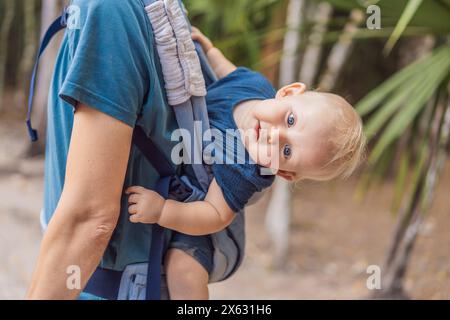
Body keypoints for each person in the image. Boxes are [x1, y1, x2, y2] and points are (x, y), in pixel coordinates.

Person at [125, 27, 366, 299]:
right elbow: (228, 73)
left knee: (184, 272)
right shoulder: (254, 85)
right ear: (288, 93)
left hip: (200, 216)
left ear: (282, 172)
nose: (276, 136)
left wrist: (162, 211)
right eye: (290, 120)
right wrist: (210, 50)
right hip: (186, 165)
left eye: (286, 151)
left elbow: (214, 215)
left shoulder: (244, 167)